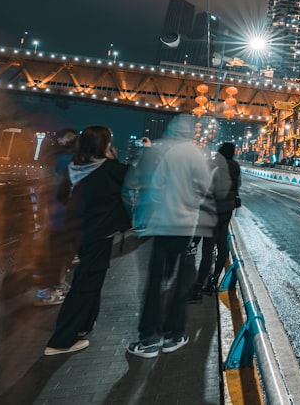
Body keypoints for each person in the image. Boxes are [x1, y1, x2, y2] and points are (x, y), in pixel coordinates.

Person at [123, 114, 213, 358]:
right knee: (180, 283)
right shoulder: (196, 154)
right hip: (186, 229)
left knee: (154, 283)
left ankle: (148, 340)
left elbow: (156, 186)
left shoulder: (168, 154)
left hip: (162, 227)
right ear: (191, 132)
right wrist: (191, 204)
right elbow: (205, 188)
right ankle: (173, 335)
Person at [44, 126, 131, 355]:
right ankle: (60, 341)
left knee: (92, 279)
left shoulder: (74, 167)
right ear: (103, 145)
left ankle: (83, 326)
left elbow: (63, 197)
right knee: (85, 283)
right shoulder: (111, 169)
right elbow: (136, 179)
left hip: (76, 231)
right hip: (99, 233)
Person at [35, 127, 78, 306]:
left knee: (59, 252)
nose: (72, 142)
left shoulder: (57, 159)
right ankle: (48, 290)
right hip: (60, 214)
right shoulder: (65, 161)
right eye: (69, 139)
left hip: (57, 213)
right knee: (57, 253)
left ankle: (55, 285)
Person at [196, 142, 242, 297]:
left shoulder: (212, 164)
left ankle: (198, 284)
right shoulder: (235, 166)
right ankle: (214, 280)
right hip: (227, 210)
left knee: (208, 248)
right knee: (222, 245)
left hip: (212, 210)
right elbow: (238, 186)